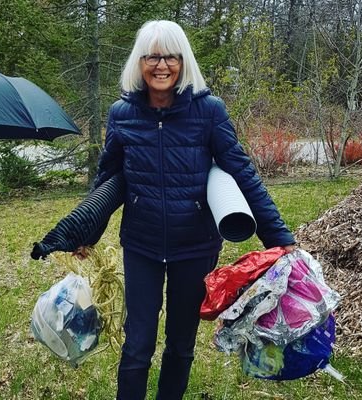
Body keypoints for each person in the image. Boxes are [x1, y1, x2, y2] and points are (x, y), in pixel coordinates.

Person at [87, 20, 295, 400]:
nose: (161, 65)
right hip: (142, 245)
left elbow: (241, 171)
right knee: (137, 346)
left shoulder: (209, 111)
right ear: (140, 61)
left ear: (183, 62)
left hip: (195, 247)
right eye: (152, 56)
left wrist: (279, 238)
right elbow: (108, 179)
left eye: (171, 56)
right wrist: (83, 231)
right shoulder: (122, 113)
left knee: (181, 345)